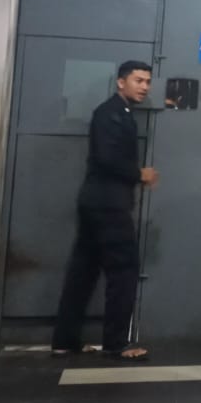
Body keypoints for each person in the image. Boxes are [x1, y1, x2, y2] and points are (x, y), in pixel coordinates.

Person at [51, 60, 159, 361]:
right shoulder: (110, 113)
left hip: (95, 203)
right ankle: (116, 343)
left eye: (148, 81)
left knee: (83, 272)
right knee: (124, 270)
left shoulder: (117, 112)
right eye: (138, 80)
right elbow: (106, 158)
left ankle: (64, 341)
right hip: (108, 205)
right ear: (121, 82)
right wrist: (139, 174)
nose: (144, 87)